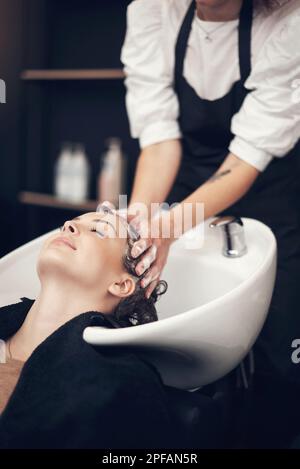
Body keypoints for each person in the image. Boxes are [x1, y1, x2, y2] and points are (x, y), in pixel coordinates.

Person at [121, 0, 300, 447]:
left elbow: (245, 159)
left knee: (280, 354)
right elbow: (160, 140)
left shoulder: (289, 23)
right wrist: (142, 223)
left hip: (267, 189)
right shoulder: (151, 10)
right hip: (184, 193)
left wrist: (171, 225)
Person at [0, 207, 173, 449]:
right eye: (69, 223)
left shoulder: (120, 385)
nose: (69, 225)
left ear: (122, 285)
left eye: (99, 231)